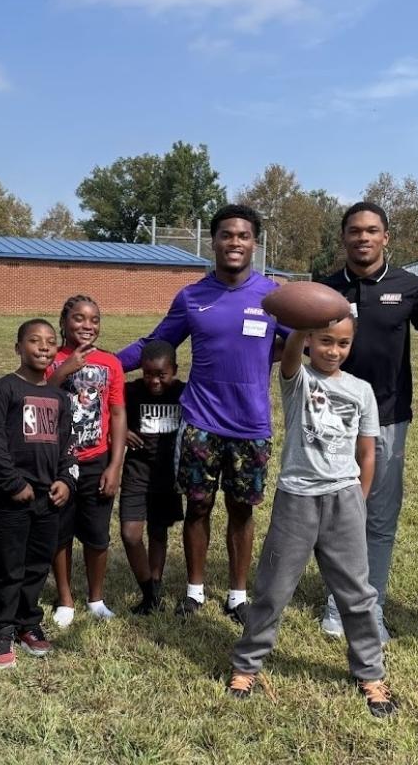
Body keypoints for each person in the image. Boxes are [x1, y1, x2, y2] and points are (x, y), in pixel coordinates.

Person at [117, 204, 286, 624]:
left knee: (242, 510)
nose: (234, 242)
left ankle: (236, 595)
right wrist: (105, 364)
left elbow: (304, 340)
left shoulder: (273, 296)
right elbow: (156, 343)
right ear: (213, 241)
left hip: (252, 425)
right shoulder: (192, 297)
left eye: (243, 236)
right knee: (197, 507)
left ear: (254, 243)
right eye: (226, 235)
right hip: (200, 423)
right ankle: (194, 591)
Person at [227, 318, 397, 718]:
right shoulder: (297, 379)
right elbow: (288, 356)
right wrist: (301, 325)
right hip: (297, 499)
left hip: (344, 500)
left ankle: (370, 673)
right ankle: (246, 665)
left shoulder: (361, 390)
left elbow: (367, 452)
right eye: (324, 341)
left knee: (357, 594)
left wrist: (359, 497)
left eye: (342, 343)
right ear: (309, 343)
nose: (333, 351)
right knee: (273, 588)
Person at [316, 202, 418, 642]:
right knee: (337, 515)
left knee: (379, 518)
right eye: (354, 231)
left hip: (388, 417)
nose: (363, 238)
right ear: (343, 237)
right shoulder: (324, 289)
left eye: (372, 231)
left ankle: (370, 605)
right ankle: (335, 605)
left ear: (386, 237)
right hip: (330, 419)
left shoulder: (412, 288)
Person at [0, 319, 78, 669]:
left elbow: (69, 444)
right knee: (9, 565)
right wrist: (12, 483)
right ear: (18, 347)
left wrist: (66, 480)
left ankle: (27, 622)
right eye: (34, 341)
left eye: (50, 342)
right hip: (12, 498)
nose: (43, 347)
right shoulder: (5, 390)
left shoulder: (59, 397)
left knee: (37, 564)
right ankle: (0, 628)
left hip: (48, 499)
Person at [46, 296, 126, 627]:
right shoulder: (50, 359)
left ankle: (96, 598)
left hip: (96, 461)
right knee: (60, 533)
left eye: (94, 320)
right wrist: (63, 371)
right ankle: (65, 599)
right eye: (78, 319)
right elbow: (37, 396)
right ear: (64, 322)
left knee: (97, 535)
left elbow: (118, 414)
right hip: (58, 463)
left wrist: (114, 465)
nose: (87, 326)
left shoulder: (110, 363)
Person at [119, 340, 186, 615]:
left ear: (174, 370)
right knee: (130, 534)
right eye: (148, 374)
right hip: (137, 473)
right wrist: (119, 432)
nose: (154, 381)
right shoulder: (131, 391)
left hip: (168, 476)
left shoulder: (183, 393)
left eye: (161, 374)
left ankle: (154, 592)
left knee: (158, 532)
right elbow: (106, 412)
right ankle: (146, 589)